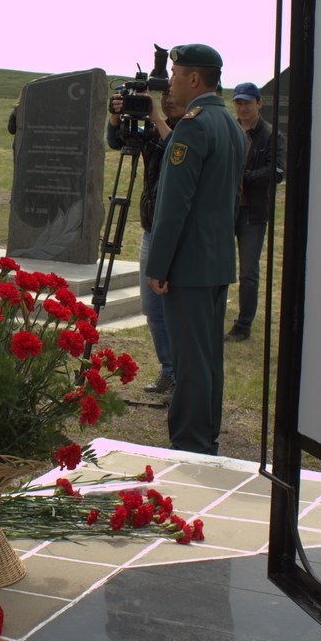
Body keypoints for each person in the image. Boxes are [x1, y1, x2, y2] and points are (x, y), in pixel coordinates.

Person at [145, 44, 245, 455]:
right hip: (216, 260)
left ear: (194, 78)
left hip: (188, 265)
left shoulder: (193, 127)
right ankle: (207, 435)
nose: (170, 83)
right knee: (207, 358)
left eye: (174, 74)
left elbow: (173, 207)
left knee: (189, 360)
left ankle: (190, 443)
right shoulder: (230, 125)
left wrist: (158, 265)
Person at [107, 88, 184, 401]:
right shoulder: (154, 130)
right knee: (151, 307)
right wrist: (116, 117)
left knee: (176, 307)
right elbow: (117, 143)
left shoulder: (192, 129)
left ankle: (182, 376)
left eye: (172, 93)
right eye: (162, 95)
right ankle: (168, 369)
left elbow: (178, 150)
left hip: (178, 232)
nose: (166, 100)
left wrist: (155, 117)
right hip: (151, 228)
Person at [225, 82, 285, 342]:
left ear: (259, 103)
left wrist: (244, 177)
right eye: (238, 103)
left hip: (253, 213)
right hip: (226, 209)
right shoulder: (229, 130)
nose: (242, 108)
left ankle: (243, 325)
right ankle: (215, 313)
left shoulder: (271, 135)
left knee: (248, 272)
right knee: (219, 264)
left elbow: (277, 171)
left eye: (247, 103)